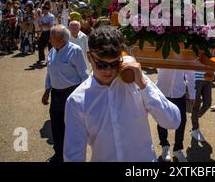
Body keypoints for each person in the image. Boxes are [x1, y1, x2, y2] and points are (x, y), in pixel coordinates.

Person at [64, 26, 180, 162]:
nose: (108, 70)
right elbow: (74, 154)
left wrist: (143, 85)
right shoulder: (76, 101)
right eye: (101, 65)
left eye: (114, 64)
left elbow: (173, 121)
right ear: (89, 57)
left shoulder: (137, 83)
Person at [42, 25, 89, 162]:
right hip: (56, 94)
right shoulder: (52, 51)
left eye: (51, 37)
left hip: (71, 93)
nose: (49, 39)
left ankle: (72, 157)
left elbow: (84, 75)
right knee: (56, 125)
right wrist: (46, 91)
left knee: (72, 127)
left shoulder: (75, 51)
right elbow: (49, 73)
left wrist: (85, 98)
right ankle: (59, 154)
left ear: (61, 39)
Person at [156, 69, 195, 162]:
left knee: (181, 121)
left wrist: (192, 94)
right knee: (162, 119)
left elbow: (190, 74)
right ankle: (165, 145)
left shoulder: (186, 54)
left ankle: (177, 149)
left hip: (178, 92)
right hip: (162, 90)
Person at [190, 70, 212, 143]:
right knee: (196, 105)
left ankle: (195, 116)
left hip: (208, 76)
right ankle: (195, 129)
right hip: (196, 77)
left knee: (207, 103)